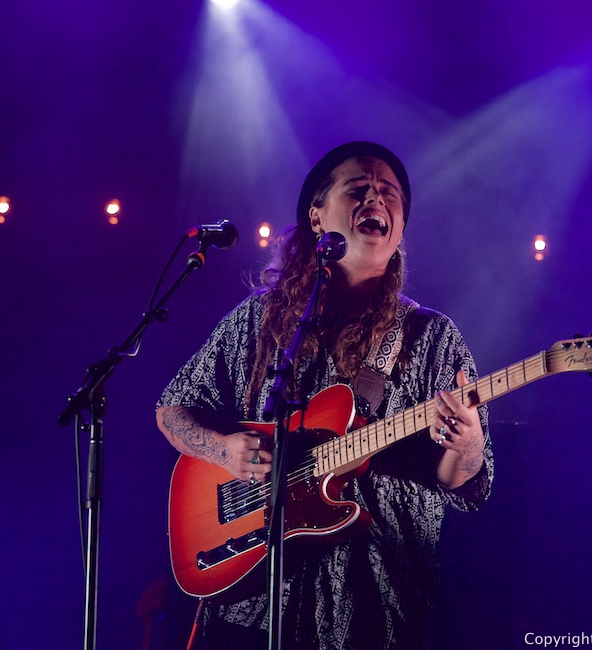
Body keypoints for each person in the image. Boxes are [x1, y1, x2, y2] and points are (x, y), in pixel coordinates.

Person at [156, 141, 494, 649]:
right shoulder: (259, 320)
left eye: (390, 195)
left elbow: (462, 481)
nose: (376, 200)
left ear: (399, 228)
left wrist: (466, 444)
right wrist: (223, 450)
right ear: (317, 218)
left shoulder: (432, 338)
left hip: (373, 604)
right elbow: (172, 409)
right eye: (359, 189)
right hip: (251, 601)